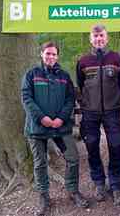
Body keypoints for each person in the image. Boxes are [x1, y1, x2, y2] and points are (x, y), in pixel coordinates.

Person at [21, 41, 89, 216]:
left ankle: (73, 190)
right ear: (41, 54)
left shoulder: (64, 76)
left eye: (53, 54)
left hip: (61, 127)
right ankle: (44, 196)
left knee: (73, 158)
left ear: (57, 56)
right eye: (47, 53)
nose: (50, 57)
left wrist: (60, 118)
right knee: (40, 163)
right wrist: (42, 118)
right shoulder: (32, 74)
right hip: (37, 128)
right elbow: (26, 98)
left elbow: (69, 99)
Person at [76, 24, 120, 205]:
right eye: (95, 36)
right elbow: (81, 86)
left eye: (101, 36)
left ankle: (116, 185)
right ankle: (98, 183)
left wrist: (115, 101)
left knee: (116, 145)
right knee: (92, 146)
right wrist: (87, 104)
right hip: (90, 112)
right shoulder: (83, 61)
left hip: (112, 111)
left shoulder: (117, 58)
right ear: (91, 39)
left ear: (107, 37)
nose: (99, 39)